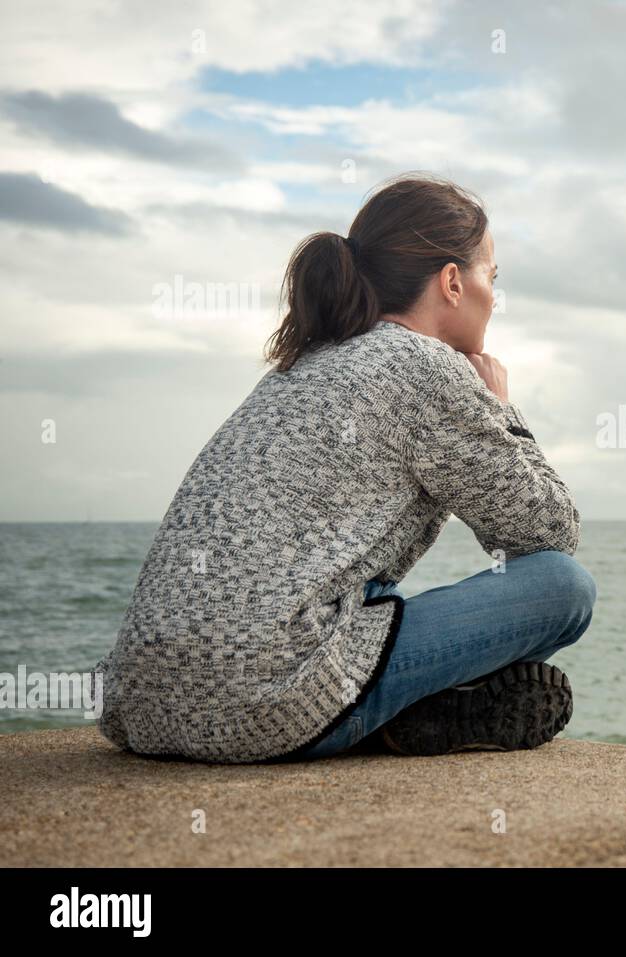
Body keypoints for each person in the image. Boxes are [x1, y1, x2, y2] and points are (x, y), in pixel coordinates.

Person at [93, 173, 595, 764]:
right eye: (493, 277)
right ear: (453, 282)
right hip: (262, 703)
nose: (495, 297)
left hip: (138, 707)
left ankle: (402, 711)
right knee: (564, 586)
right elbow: (546, 533)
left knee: (364, 582)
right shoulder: (424, 366)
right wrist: (505, 413)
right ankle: (390, 712)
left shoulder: (299, 366)